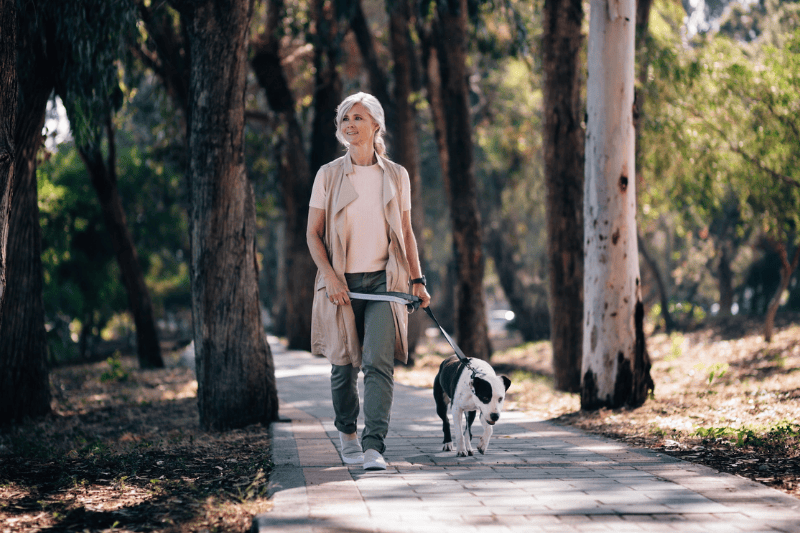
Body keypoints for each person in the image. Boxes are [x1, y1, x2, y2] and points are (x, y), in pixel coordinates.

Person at [306, 92, 431, 471]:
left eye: (358, 117)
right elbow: (313, 234)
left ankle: (374, 445)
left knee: (379, 364)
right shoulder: (328, 174)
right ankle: (347, 433)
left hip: (384, 283)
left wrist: (417, 280)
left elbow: (406, 232)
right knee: (343, 366)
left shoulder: (396, 175)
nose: (349, 124)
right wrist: (331, 277)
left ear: (376, 124)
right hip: (340, 285)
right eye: (344, 118)